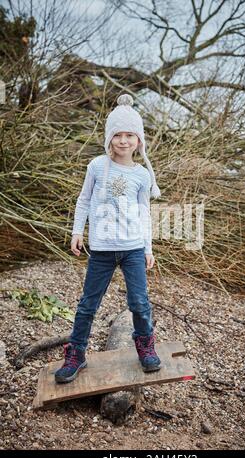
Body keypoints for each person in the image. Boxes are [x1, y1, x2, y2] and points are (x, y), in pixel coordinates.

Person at [55, 94, 162, 384]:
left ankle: (145, 345)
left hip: (133, 249)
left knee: (139, 302)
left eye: (130, 135)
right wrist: (77, 231)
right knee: (88, 304)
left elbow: (144, 214)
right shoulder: (96, 166)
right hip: (101, 249)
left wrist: (148, 249)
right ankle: (76, 353)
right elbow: (84, 201)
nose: (124, 141)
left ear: (138, 140)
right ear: (109, 137)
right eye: (118, 135)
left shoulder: (141, 175)